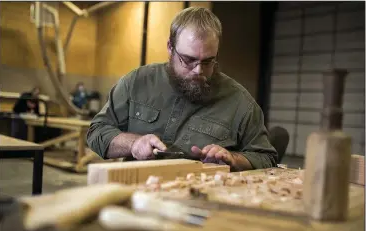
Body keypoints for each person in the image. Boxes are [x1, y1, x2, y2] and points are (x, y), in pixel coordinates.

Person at [86, 7, 278, 171]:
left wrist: (233, 159)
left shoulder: (241, 103)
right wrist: (134, 144)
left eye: (208, 61)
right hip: (138, 194)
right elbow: (97, 132)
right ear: (170, 48)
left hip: (201, 200)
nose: (198, 70)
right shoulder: (137, 81)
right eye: (188, 60)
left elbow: (266, 158)